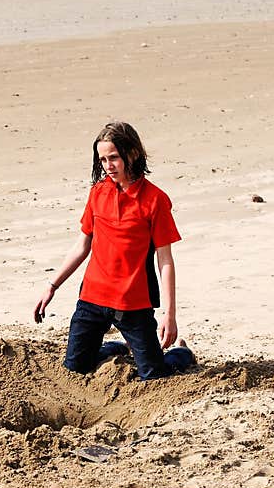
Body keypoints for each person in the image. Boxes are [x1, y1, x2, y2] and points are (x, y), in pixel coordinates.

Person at [33, 121, 189, 379]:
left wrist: (169, 315)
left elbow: (166, 261)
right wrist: (52, 286)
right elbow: (82, 246)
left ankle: (182, 353)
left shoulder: (155, 200)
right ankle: (116, 347)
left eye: (114, 158)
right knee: (75, 368)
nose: (108, 166)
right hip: (92, 299)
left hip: (134, 303)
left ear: (133, 153)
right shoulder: (97, 193)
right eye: (102, 159)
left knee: (153, 374)